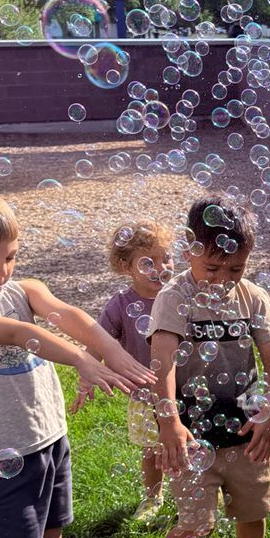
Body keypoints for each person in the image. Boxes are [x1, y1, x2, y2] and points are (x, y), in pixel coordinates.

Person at [0, 195, 155, 538]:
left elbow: (69, 316)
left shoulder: (23, 288)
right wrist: (84, 363)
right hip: (6, 454)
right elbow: (22, 334)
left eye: (9, 255)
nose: (4, 269)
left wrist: (109, 351)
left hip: (47, 440)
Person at [136, 197, 270, 538]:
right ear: (191, 251)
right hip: (190, 434)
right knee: (197, 523)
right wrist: (169, 421)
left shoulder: (252, 297)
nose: (223, 279)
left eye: (236, 269)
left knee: (252, 507)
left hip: (244, 429)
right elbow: (163, 363)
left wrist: (266, 415)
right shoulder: (174, 296)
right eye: (213, 268)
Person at [72, 222, 174, 521]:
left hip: (186, 390)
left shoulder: (180, 296)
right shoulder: (120, 305)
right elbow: (96, 342)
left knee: (190, 443)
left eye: (166, 258)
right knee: (152, 452)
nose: (160, 267)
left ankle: (202, 489)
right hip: (144, 395)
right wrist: (86, 377)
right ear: (124, 266)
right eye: (148, 262)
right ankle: (153, 496)